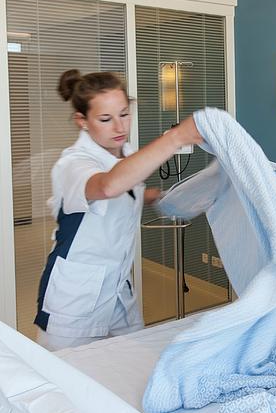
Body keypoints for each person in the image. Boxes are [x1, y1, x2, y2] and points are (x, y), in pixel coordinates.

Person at [35, 69, 202, 351]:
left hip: (118, 288)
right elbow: (107, 187)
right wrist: (175, 138)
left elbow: (123, 192)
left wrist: (161, 197)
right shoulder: (73, 164)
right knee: (62, 379)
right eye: (105, 119)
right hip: (75, 296)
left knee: (131, 363)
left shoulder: (125, 152)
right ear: (82, 121)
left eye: (124, 114)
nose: (119, 127)